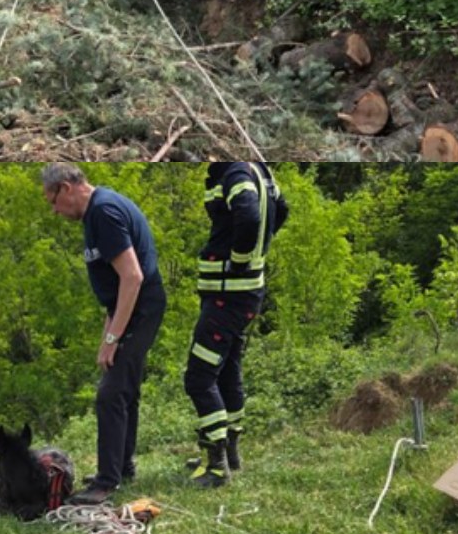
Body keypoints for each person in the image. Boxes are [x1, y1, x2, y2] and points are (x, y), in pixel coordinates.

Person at [41, 163, 166, 505]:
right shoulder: (96, 212)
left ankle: (106, 483)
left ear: (66, 188)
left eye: (53, 201)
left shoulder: (104, 212)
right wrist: (106, 338)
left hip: (141, 308)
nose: (54, 211)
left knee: (110, 395)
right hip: (126, 310)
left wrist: (115, 338)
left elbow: (132, 277)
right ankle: (122, 467)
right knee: (123, 387)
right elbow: (112, 289)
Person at [184, 162, 288, 487]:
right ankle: (230, 453)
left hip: (227, 295)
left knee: (199, 377)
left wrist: (241, 259)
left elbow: (250, 215)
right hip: (243, 295)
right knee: (228, 369)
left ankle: (216, 467)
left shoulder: (236, 175)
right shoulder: (260, 171)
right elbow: (280, 209)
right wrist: (258, 251)